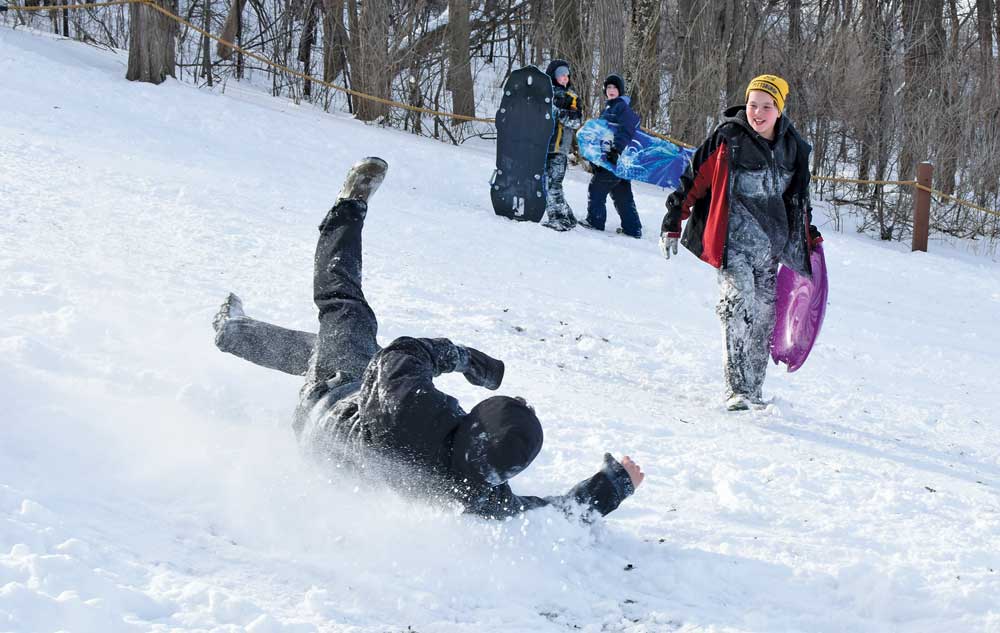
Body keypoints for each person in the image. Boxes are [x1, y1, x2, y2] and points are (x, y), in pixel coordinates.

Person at [214, 157, 645, 519]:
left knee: (347, 309)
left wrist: (468, 361)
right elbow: (554, 514)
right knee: (338, 350)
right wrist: (613, 487)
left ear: (479, 425)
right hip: (330, 456)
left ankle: (349, 206)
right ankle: (235, 332)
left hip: (327, 407)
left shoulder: (413, 408)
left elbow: (406, 352)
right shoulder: (476, 491)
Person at [658, 74, 822, 411]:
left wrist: (808, 233)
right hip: (732, 244)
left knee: (764, 317)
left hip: (771, 248)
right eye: (752, 105)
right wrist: (675, 216)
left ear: (779, 110)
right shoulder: (728, 137)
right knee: (736, 306)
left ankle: (754, 391)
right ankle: (736, 390)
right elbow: (695, 178)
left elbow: (797, 199)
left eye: (766, 106)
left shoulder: (794, 148)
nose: (757, 113)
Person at [581, 74, 642, 239]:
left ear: (620, 90)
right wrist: (596, 159)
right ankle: (633, 229)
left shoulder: (620, 106)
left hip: (615, 158)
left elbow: (630, 125)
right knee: (621, 193)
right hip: (611, 160)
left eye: (615, 87)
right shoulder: (608, 108)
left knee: (596, 188)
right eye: (608, 88)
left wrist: (617, 149)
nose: (611, 90)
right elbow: (602, 135)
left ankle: (595, 221)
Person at [541, 59, 583, 232]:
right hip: (542, 145)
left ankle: (558, 218)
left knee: (553, 183)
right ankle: (566, 215)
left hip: (559, 148)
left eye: (567, 75)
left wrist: (561, 111)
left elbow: (576, 121)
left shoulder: (571, 97)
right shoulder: (544, 93)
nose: (565, 78)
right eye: (561, 75)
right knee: (547, 182)